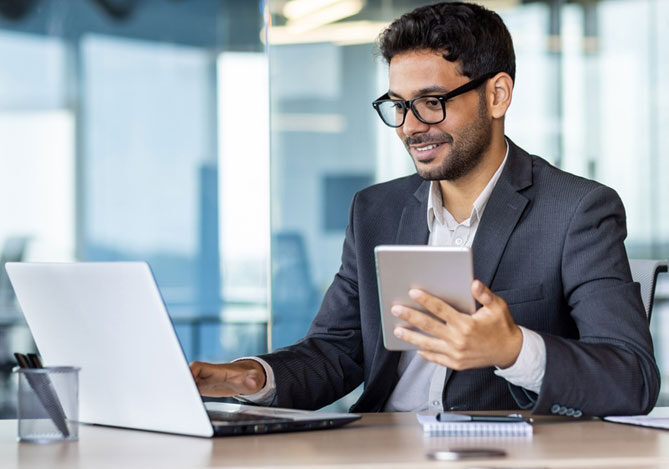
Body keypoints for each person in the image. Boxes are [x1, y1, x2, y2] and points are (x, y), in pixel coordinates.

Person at [190, 2, 659, 416]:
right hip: (379, 446)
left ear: (497, 95)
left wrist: (514, 350)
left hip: (495, 453)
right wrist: (253, 377)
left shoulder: (576, 210)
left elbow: (632, 377)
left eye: (432, 103)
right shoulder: (374, 209)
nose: (411, 127)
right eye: (399, 106)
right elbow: (338, 351)